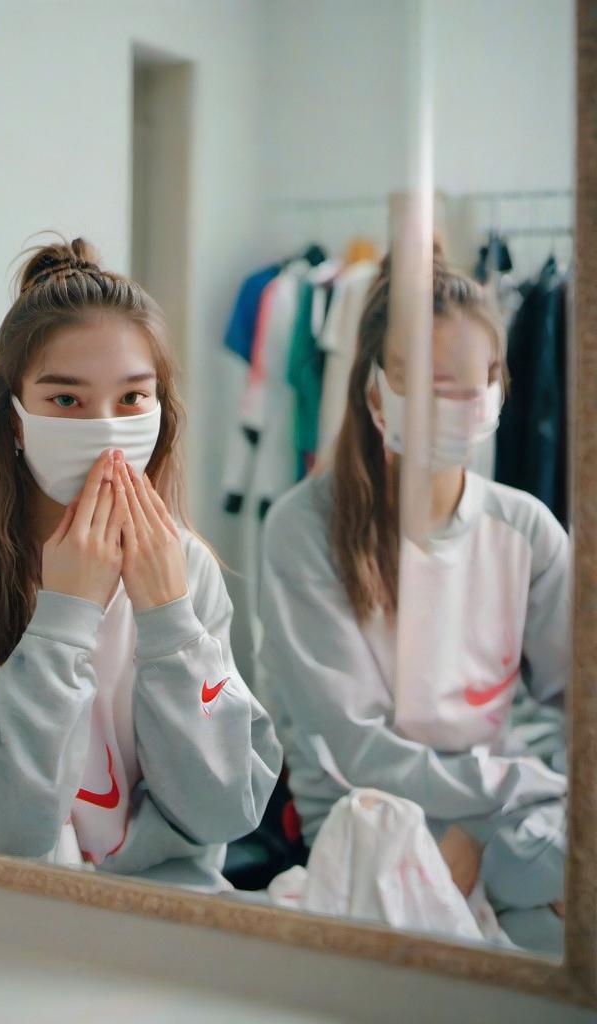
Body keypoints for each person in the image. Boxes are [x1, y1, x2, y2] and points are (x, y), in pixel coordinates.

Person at [0, 236, 281, 892]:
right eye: (66, 401)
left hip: (170, 923)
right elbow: (2, 847)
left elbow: (222, 812)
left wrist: (171, 622)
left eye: (132, 400)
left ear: (161, 413)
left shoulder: (190, 572)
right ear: (15, 419)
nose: (107, 430)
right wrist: (65, 617)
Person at [257, 254, 568, 953]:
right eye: (436, 385)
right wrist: (516, 794)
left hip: (497, 823)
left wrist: (488, 826)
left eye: (484, 381)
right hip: (370, 822)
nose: (466, 403)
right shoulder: (304, 529)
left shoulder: (526, 529)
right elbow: (356, 746)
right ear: (375, 392)